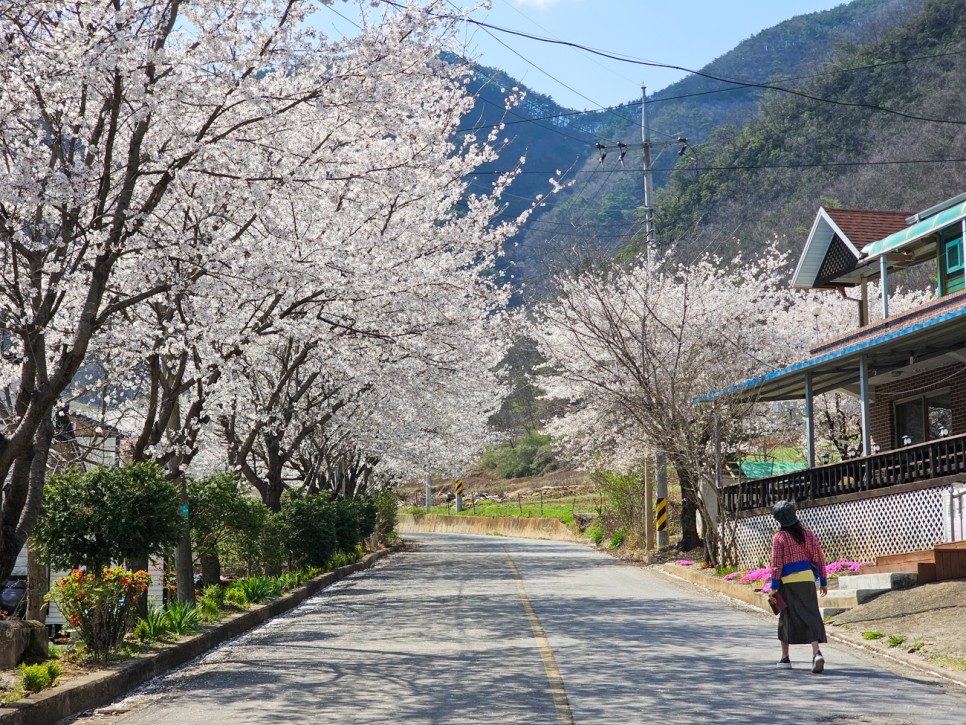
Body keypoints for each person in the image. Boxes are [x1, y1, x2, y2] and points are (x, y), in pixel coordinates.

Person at [768, 500, 828, 673]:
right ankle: (817, 653)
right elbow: (820, 557)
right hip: (808, 579)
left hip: (787, 582)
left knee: (786, 618)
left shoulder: (779, 537)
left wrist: (773, 586)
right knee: (811, 615)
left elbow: (776, 564)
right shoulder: (809, 534)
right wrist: (823, 581)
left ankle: (785, 658)